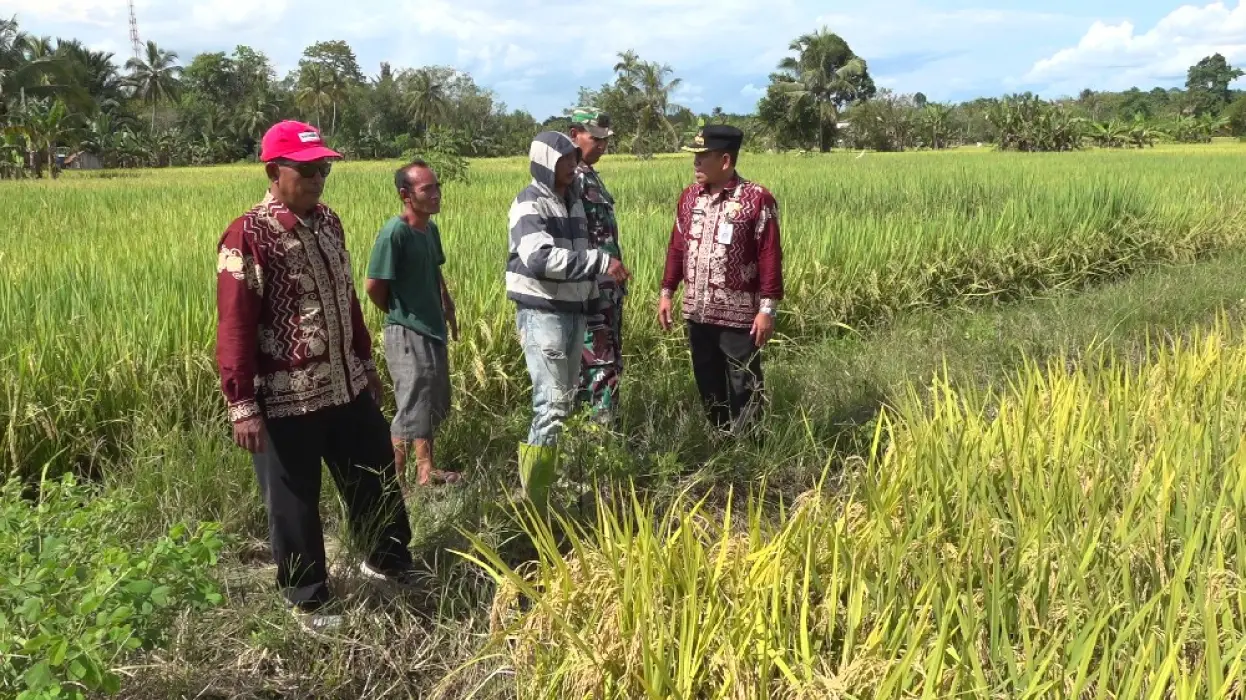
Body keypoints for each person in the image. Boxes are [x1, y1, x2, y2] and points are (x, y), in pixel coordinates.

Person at [215, 120, 415, 632]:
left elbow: (347, 300)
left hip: (345, 382)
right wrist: (241, 403)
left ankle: (386, 561)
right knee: (294, 500)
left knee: (374, 475)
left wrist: (365, 362)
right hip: (287, 395)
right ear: (273, 170)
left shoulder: (329, 222)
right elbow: (234, 323)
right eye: (305, 169)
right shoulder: (248, 235)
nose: (317, 177)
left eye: (322, 168)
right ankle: (307, 597)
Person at [507, 131, 630, 507]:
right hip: (544, 314)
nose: (571, 166)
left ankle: (551, 482)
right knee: (551, 403)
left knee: (567, 400)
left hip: (573, 311)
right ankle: (534, 497)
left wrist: (593, 299)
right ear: (545, 163)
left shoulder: (572, 201)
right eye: (563, 160)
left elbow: (578, 255)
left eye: (573, 159)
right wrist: (600, 262)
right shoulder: (530, 204)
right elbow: (539, 259)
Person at [657, 125, 784, 436]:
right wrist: (667, 292)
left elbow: (770, 255)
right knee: (707, 377)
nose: (696, 163)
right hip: (697, 311)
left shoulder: (757, 199)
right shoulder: (689, 198)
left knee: (744, 380)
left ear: (725, 160)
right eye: (695, 157)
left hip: (739, 315)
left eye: (703, 157)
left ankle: (750, 445)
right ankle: (719, 439)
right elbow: (677, 247)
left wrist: (767, 309)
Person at [365, 160, 462, 494]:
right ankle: (394, 483)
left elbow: (435, 271)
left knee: (431, 400)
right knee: (410, 404)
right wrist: (399, 313)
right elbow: (373, 285)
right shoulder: (396, 232)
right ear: (406, 195)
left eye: (437, 187)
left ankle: (426, 471)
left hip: (432, 326)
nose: (436, 194)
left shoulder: (429, 230)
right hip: (406, 332)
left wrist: (447, 307)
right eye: (428, 189)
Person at [567, 108, 625, 429]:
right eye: (595, 138)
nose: (602, 145)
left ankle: (602, 429)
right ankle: (598, 437)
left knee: (608, 361)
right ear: (574, 134)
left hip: (606, 290)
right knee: (597, 363)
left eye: (605, 139)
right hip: (588, 290)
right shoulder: (569, 176)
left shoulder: (588, 173)